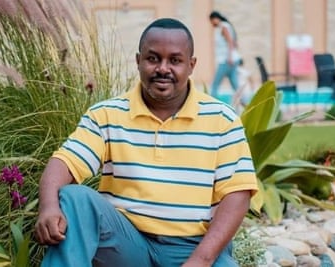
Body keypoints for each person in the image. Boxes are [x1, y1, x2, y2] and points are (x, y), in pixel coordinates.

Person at [35, 17, 258, 267]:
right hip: (126, 245)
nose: (163, 68)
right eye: (153, 58)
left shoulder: (222, 119)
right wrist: (48, 207)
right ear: (138, 61)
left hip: (192, 247)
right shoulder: (106, 114)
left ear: (191, 65)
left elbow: (238, 194)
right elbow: (64, 162)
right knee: (75, 197)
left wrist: (201, 261)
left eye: (175, 60)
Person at [209, 11, 242, 100]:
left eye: (211, 20)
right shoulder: (225, 26)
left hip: (226, 61)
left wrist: (229, 57)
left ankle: (212, 107)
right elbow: (234, 43)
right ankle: (248, 106)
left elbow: (230, 42)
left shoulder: (223, 26)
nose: (211, 23)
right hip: (232, 60)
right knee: (236, 87)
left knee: (214, 85)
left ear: (216, 18)